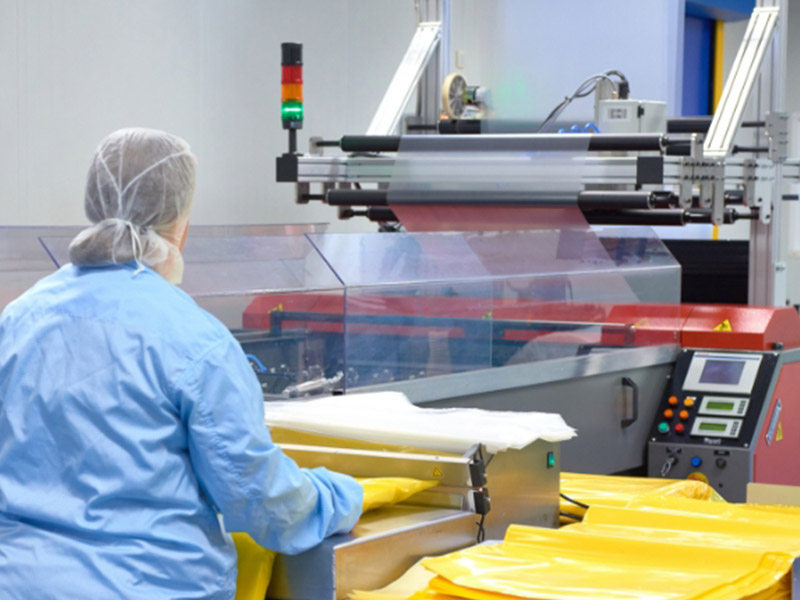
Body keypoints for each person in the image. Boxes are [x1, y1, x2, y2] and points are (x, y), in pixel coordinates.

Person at [0, 128, 363, 600]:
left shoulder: (18, 319)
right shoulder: (195, 340)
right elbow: (263, 502)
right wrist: (340, 497)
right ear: (180, 223)